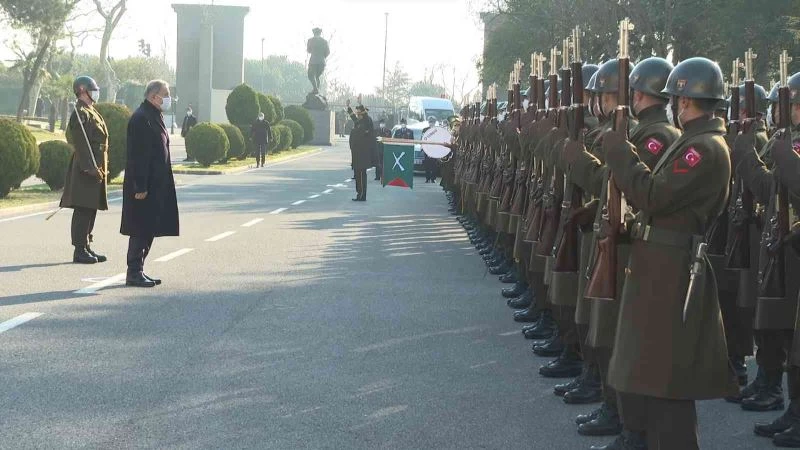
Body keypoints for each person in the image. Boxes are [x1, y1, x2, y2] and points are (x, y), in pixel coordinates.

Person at [594, 57, 738, 450]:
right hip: (659, 268)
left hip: (674, 274)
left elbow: (653, 195)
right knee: (648, 372)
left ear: (685, 101)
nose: (672, 106)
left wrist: (619, 152)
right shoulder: (691, 141)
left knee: (668, 381)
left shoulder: (705, 149)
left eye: (676, 99)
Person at [121, 80, 180, 288]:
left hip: (156, 184)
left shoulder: (154, 116)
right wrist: (140, 186)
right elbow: (138, 156)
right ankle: (133, 271)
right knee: (140, 227)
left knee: (149, 227)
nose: (168, 98)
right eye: (166, 94)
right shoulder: (141, 118)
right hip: (143, 186)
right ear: (154, 96)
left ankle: (140, 269)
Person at [60, 75, 109, 264]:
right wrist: (91, 168)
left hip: (96, 165)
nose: (95, 91)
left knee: (91, 208)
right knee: (83, 208)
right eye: (92, 88)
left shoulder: (90, 110)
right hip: (85, 168)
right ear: (82, 90)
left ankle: (87, 245)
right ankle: (79, 250)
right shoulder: (80, 112)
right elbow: (82, 145)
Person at [346, 100, 375, 201]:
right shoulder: (359, 122)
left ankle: (362, 195)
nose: (357, 115)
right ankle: (359, 194)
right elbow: (353, 117)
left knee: (362, 176)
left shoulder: (367, 122)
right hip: (357, 155)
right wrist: (349, 107)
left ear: (362, 114)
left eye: (359, 113)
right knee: (357, 176)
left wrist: (361, 106)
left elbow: (365, 118)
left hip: (363, 155)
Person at [306, 28, 330, 94]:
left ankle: (315, 89)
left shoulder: (310, 40)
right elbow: (328, 52)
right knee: (316, 77)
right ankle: (316, 91)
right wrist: (322, 57)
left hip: (313, 61)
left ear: (314, 33)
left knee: (311, 75)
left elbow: (308, 50)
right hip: (322, 62)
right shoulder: (324, 41)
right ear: (320, 33)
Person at [422, 116, 439, 183]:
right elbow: (422, 139)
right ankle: (427, 178)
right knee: (427, 165)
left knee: (434, 165)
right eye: (430, 122)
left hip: (434, 149)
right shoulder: (425, 130)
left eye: (432, 122)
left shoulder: (437, 130)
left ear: (434, 123)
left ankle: (433, 178)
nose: (431, 123)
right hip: (427, 148)